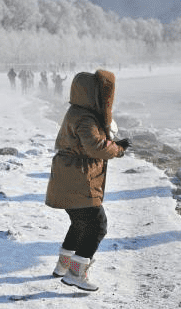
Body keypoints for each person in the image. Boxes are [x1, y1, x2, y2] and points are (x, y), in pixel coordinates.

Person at [45, 69, 130, 291]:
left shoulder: (77, 112)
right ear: (94, 95)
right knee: (97, 225)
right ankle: (76, 273)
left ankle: (62, 267)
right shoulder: (85, 117)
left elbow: (88, 143)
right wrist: (118, 149)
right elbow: (95, 146)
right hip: (78, 177)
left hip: (69, 176)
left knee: (80, 223)